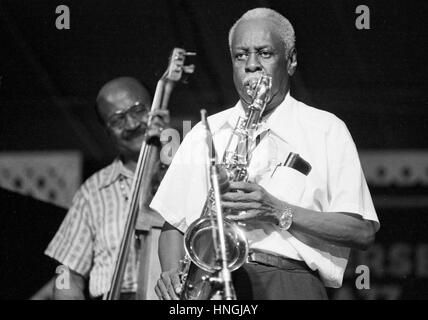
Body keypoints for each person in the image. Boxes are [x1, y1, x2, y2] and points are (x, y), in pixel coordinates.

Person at [152, 8, 379, 300]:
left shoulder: (327, 129)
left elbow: (361, 232)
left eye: (264, 53)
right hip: (210, 286)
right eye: (240, 55)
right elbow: (173, 224)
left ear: (292, 60)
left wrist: (277, 210)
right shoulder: (204, 132)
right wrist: (172, 274)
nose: (251, 65)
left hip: (290, 284)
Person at [45, 77, 168, 299]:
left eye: (138, 111)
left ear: (156, 109)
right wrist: (63, 286)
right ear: (106, 131)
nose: (131, 124)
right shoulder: (92, 191)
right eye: (117, 120)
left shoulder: (187, 172)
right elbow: (65, 272)